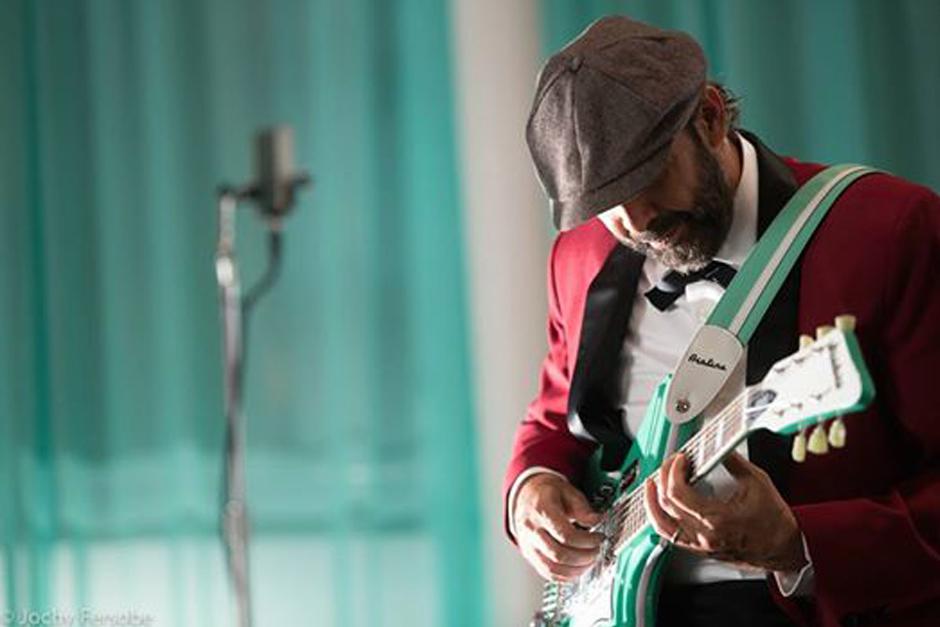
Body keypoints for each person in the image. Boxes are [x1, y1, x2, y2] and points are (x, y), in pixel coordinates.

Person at [504, 15, 940, 627]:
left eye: (647, 174)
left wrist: (798, 543)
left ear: (709, 117)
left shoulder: (891, 231)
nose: (636, 221)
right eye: (603, 203)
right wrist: (531, 488)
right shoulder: (580, 257)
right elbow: (555, 418)